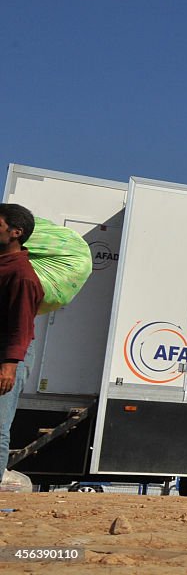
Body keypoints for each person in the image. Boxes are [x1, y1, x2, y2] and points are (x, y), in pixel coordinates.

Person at [0, 204, 44, 479]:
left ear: (16, 233)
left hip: (8, 357)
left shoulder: (22, 276)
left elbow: (22, 325)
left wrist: (9, 365)